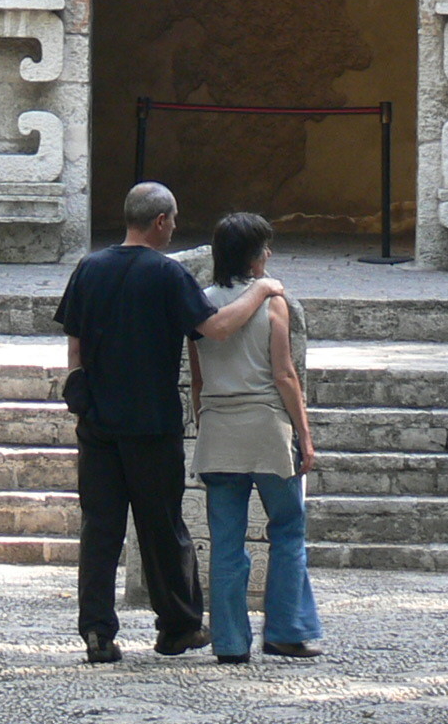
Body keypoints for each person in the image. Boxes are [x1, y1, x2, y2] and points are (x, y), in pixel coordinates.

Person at [54, 182, 286, 665]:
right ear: (161, 221)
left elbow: (73, 348)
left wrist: (80, 393)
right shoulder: (167, 274)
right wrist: (263, 288)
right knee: (162, 527)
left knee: (100, 528)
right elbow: (217, 326)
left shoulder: (88, 268)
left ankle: (97, 632)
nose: (176, 227)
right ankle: (177, 626)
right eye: (174, 219)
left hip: (96, 419)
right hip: (151, 420)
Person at [191, 212, 321, 663]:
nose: (269, 254)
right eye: (264, 247)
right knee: (287, 529)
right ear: (252, 255)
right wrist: (304, 435)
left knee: (226, 542)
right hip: (267, 430)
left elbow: (197, 381)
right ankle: (286, 630)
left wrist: (204, 420)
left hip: (218, 431)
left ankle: (229, 641)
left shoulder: (201, 301)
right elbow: (284, 374)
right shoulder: (273, 302)